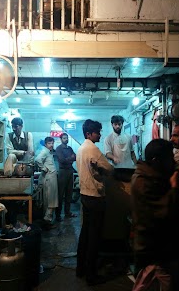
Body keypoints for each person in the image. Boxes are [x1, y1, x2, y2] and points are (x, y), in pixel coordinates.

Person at [131, 139, 179, 291]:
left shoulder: (151, 175)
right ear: (156, 160)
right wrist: (174, 188)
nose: (172, 161)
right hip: (152, 249)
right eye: (169, 158)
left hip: (157, 247)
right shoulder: (143, 182)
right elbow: (163, 213)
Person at [76, 119, 113, 286]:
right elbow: (110, 169)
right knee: (94, 237)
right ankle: (91, 275)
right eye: (98, 132)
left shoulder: (81, 148)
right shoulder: (93, 149)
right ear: (89, 134)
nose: (100, 134)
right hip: (95, 197)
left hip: (84, 195)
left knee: (85, 233)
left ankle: (80, 268)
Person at [35, 137, 58, 225]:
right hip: (49, 177)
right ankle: (47, 220)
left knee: (49, 198)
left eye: (52, 143)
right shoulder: (45, 151)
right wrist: (44, 168)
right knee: (51, 198)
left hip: (50, 176)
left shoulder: (49, 152)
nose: (51, 145)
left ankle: (47, 219)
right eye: (49, 143)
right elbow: (37, 159)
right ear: (45, 144)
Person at [55, 133, 76, 221]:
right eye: (64, 138)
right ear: (61, 139)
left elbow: (75, 157)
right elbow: (61, 160)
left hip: (70, 171)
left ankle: (67, 213)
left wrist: (69, 158)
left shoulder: (70, 148)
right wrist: (69, 158)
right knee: (60, 194)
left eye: (66, 138)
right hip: (62, 172)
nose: (66, 139)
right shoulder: (59, 149)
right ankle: (58, 215)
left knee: (69, 193)